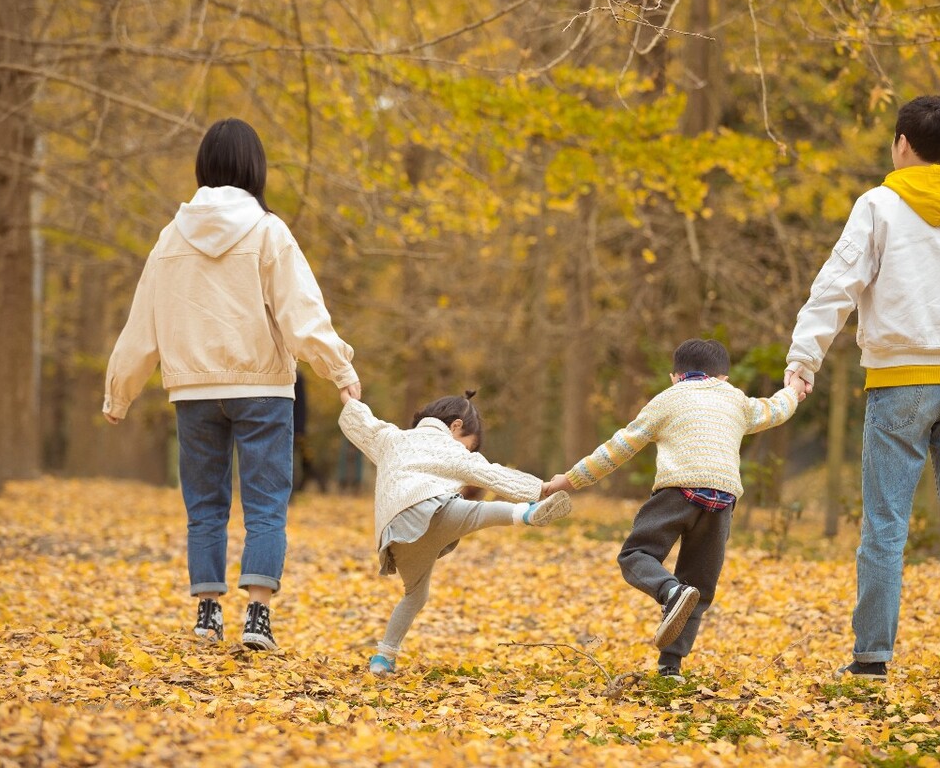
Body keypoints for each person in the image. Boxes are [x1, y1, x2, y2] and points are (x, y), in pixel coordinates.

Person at [784, 95, 940, 681]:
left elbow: (837, 286)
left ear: (901, 143)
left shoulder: (879, 204)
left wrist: (803, 360)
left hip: (899, 384)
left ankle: (872, 658)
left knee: (886, 524)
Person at [103, 118, 361, 652]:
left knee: (205, 505)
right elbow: (302, 314)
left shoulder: (171, 238)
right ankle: (257, 617)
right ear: (254, 167)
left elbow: (142, 322)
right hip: (264, 388)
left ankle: (206, 614)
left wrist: (119, 392)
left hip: (194, 391)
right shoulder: (269, 231)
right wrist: (339, 370)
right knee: (266, 504)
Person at [545, 338, 800, 682]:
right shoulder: (736, 399)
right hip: (722, 498)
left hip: (678, 490)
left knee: (636, 554)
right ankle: (671, 668)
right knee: (699, 585)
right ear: (723, 378)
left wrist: (570, 480)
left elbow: (619, 447)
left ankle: (669, 591)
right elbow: (775, 410)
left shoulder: (667, 400)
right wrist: (794, 389)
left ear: (674, 377)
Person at [338, 390, 571, 677]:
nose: (466, 450)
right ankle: (527, 513)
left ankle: (384, 657)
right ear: (455, 426)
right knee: (476, 513)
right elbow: (491, 474)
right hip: (430, 511)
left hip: (396, 534)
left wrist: (347, 392)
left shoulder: (392, 439)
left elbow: (362, 423)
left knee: (415, 595)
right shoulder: (450, 448)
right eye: (468, 445)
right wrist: (542, 488)